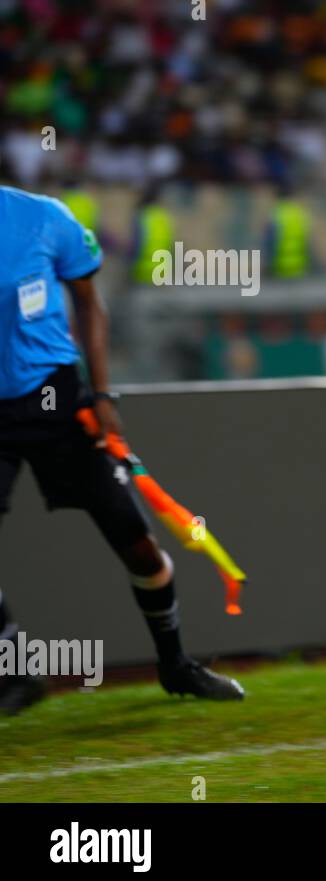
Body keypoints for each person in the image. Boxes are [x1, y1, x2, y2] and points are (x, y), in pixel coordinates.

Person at [0, 185, 245, 716]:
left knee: (133, 539)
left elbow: (90, 301)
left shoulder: (42, 218)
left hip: (55, 401)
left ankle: (175, 664)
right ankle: (16, 672)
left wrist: (103, 396)